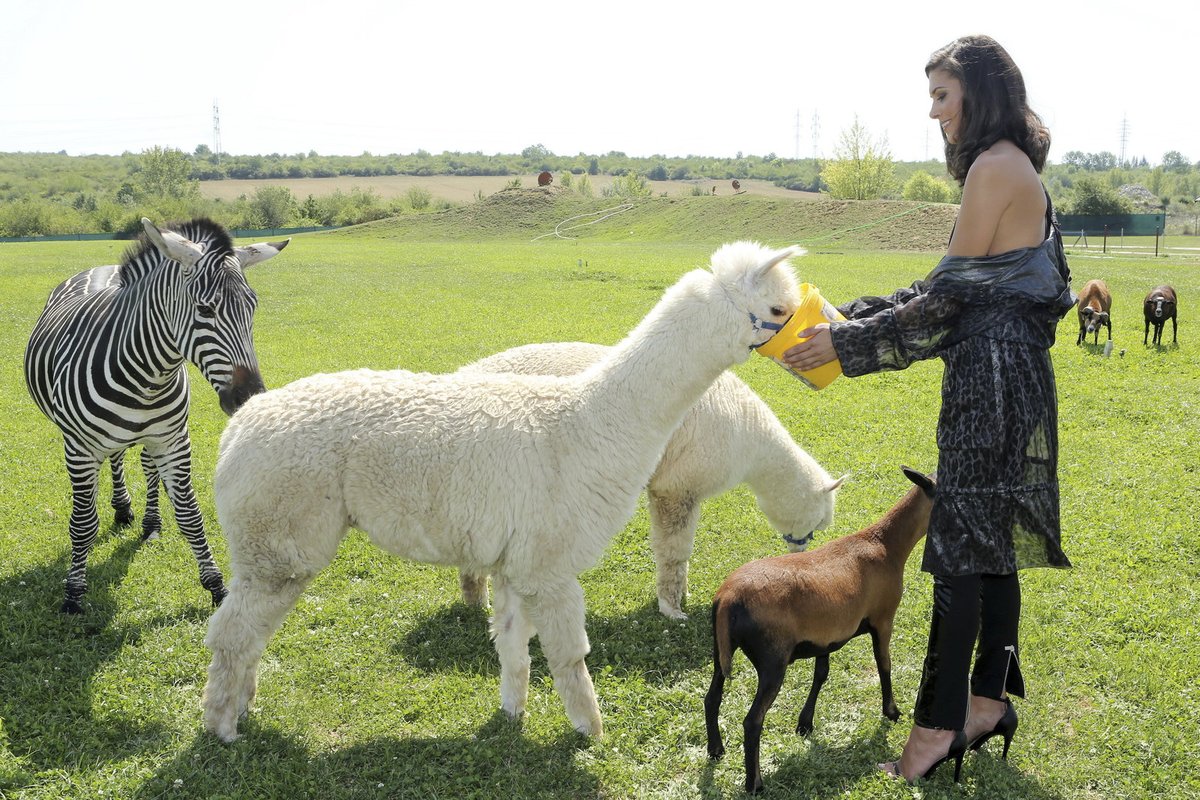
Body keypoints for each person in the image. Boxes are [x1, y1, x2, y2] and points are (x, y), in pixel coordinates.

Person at [783, 34, 1075, 783]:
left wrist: (847, 349)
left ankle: (938, 729)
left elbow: (947, 301)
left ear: (980, 93)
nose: (934, 111)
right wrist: (849, 319)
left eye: (943, 95)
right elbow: (947, 288)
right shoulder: (1013, 167)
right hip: (1011, 379)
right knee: (989, 547)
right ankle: (986, 702)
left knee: (957, 555)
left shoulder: (993, 166)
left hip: (992, 384)